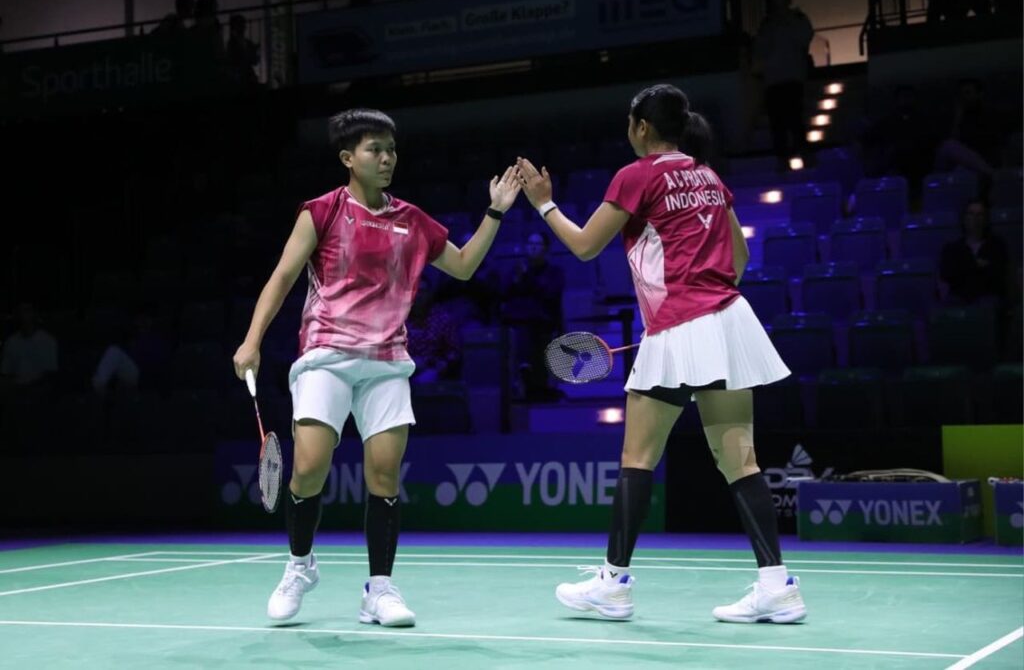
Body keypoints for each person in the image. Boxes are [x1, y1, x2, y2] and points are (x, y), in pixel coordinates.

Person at [515, 83, 806, 624]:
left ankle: (613, 584)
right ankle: (776, 586)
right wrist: (704, 297)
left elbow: (584, 246)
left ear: (641, 127)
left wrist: (543, 203)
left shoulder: (637, 175)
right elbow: (740, 257)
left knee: (638, 457)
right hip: (728, 322)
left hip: (679, 326)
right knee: (740, 459)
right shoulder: (708, 176)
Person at [232, 108, 520, 627]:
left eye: (391, 150)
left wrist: (495, 212)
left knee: (384, 475)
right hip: (326, 354)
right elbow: (282, 277)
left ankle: (380, 590)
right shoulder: (320, 212)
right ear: (348, 158)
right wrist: (252, 340)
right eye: (374, 150)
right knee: (308, 468)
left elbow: (463, 266)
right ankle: (299, 566)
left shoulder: (413, 220)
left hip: (386, 362)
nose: (387, 158)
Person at [753, 0, 814, 170]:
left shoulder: (795, 19)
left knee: (794, 119)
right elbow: (760, 48)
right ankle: (784, 159)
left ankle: (802, 154)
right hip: (775, 79)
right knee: (779, 123)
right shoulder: (768, 24)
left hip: (791, 76)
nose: (778, 2)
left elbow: (805, 38)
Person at [501, 230, 565, 401]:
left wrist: (527, 278)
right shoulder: (516, 270)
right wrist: (517, 280)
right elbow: (504, 292)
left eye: (537, 244)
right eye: (530, 244)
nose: (533, 248)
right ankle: (523, 373)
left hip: (543, 321)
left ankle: (529, 375)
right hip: (518, 321)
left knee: (533, 336)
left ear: (546, 248)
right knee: (521, 332)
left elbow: (549, 294)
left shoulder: (554, 272)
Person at [939, 198, 1010, 305]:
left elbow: (998, 277)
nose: (975, 219)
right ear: (964, 218)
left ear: (986, 219)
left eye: (980, 214)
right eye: (971, 214)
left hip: (989, 303)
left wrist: (966, 267)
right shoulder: (951, 249)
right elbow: (948, 277)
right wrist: (979, 266)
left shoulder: (997, 246)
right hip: (960, 303)